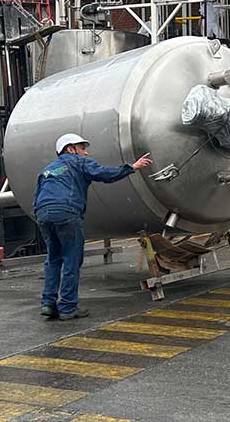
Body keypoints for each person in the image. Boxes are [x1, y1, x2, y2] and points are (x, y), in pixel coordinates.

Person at [34, 133, 152, 320]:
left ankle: (48, 304)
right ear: (70, 149)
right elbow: (104, 174)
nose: (86, 153)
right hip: (67, 213)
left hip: (43, 214)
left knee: (54, 259)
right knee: (71, 258)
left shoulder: (46, 170)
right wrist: (133, 167)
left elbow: (38, 196)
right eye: (82, 148)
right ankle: (67, 307)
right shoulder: (77, 162)